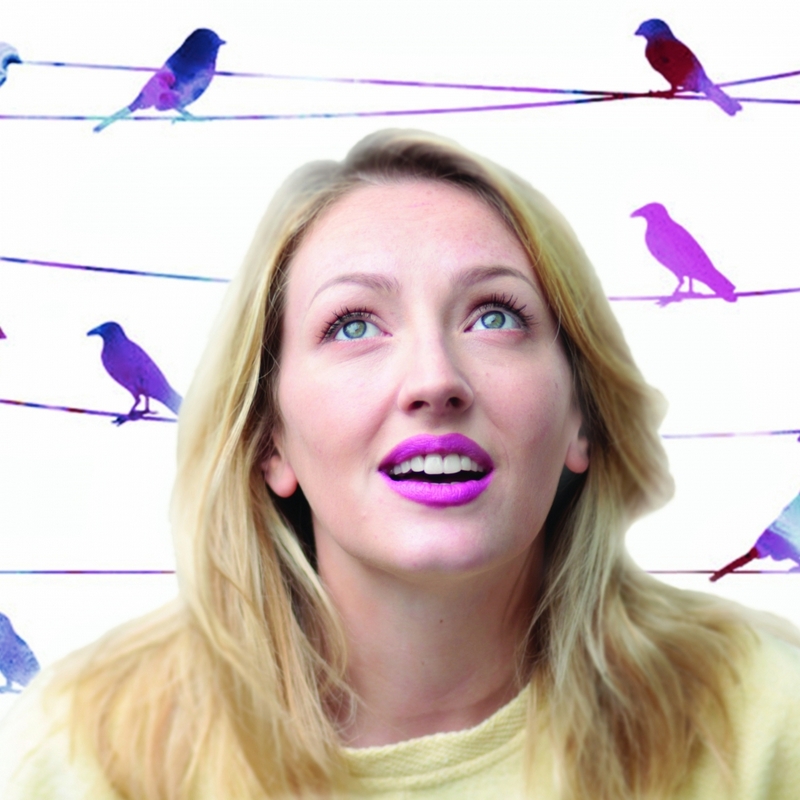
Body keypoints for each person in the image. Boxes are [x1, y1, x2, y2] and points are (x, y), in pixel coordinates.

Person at [1, 129, 799, 799]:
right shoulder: (83, 756)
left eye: (495, 316)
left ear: (580, 420)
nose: (434, 380)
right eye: (353, 325)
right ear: (271, 440)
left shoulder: (767, 720)